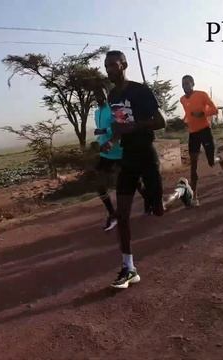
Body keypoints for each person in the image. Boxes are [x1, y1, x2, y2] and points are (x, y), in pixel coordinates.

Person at [101, 50, 166, 289]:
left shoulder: (140, 91)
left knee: (158, 210)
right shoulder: (112, 96)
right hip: (127, 156)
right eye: (106, 66)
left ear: (124, 65)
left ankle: (182, 191)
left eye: (113, 65)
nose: (109, 70)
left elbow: (161, 122)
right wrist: (113, 140)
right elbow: (119, 126)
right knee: (123, 214)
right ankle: (129, 268)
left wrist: (135, 127)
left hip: (146, 154)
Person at [180, 75, 223, 205]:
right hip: (193, 134)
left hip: (205, 130)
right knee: (193, 165)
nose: (185, 87)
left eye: (187, 84)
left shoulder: (202, 95)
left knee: (211, 162)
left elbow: (215, 110)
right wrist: (185, 120)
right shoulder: (182, 99)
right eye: (183, 84)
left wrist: (202, 114)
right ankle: (194, 196)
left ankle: (219, 159)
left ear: (193, 84)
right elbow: (188, 113)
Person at [93, 87, 122, 231]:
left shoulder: (114, 108)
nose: (99, 97)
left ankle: (149, 202)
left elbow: (121, 126)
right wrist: (99, 143)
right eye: (96, 95)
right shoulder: (96, 112)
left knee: (133, 182)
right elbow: (100, 132)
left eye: (101, 94)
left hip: (119, 151)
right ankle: (112, 213)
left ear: (106, 94)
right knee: (99, 183)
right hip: (105, 153)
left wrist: (105, 131)